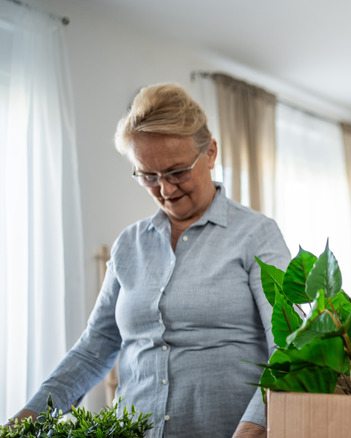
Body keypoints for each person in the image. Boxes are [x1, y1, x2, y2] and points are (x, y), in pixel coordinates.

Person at [7, 83, 288, 438]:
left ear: (211, 152)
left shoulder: (257, 236)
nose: (166, 190)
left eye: (177, 171)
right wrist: (24, 421)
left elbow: (290, 345)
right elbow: (94, 350)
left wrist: (255, 426)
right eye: (148, 176)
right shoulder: (129, 245)